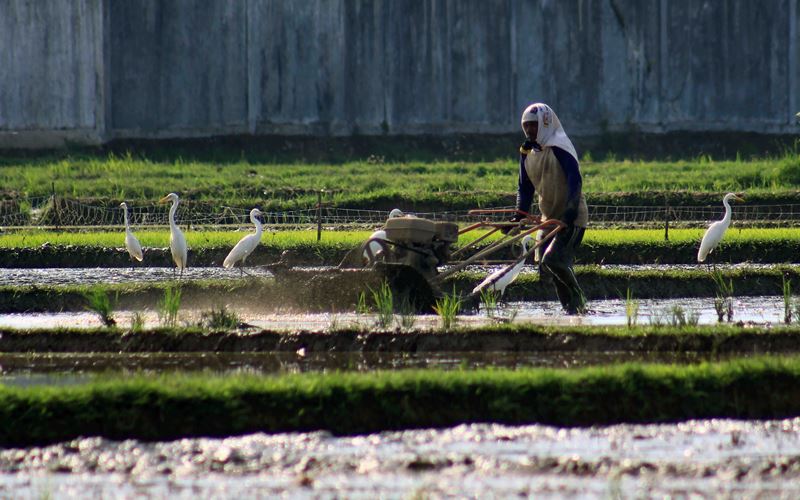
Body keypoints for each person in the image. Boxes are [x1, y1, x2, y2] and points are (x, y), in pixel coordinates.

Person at [510, 103, 588, 314]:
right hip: (549, 218)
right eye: (526, 126)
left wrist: (569, 213)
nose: (529, 131)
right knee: (547, 267)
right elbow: (524, 188)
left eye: (533, 126)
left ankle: (579, 302)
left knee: (554, 260)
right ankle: (571, 310)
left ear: (545, 123)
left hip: (572, 217)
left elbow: (575, 180)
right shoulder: (527, 152)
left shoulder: (560, 147)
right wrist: (517, 217)